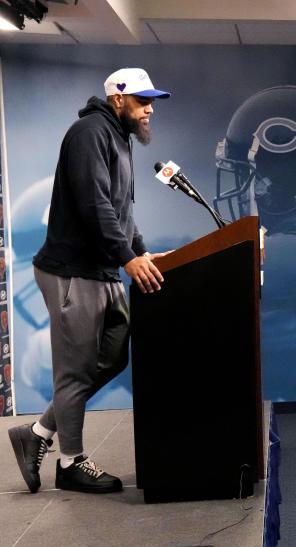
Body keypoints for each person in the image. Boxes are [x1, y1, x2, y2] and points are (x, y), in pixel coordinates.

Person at [7, 68, 170, 494]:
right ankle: (70, 462)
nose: (150, 108)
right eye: (142, 100)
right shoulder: (88, 133)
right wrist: (126, 258)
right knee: (75, 371)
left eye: (151, 100)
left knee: (113, 357)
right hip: (71, 271)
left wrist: (140, 252)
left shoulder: (120, 138)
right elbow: (94, 204)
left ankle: (38, 433)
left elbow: (121, 211)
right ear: (118, 99)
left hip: (102, 269)